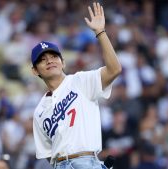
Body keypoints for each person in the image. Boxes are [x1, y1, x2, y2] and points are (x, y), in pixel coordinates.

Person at [31, 2, 122, 169]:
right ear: (35, 71)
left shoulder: (80, 81)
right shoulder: (39, 111)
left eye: (53, 56)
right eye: (42, 60)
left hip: (87, 162)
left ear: (63, 62)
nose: (49, 60)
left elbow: (115, 69)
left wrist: (100, 32)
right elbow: (47, 154)